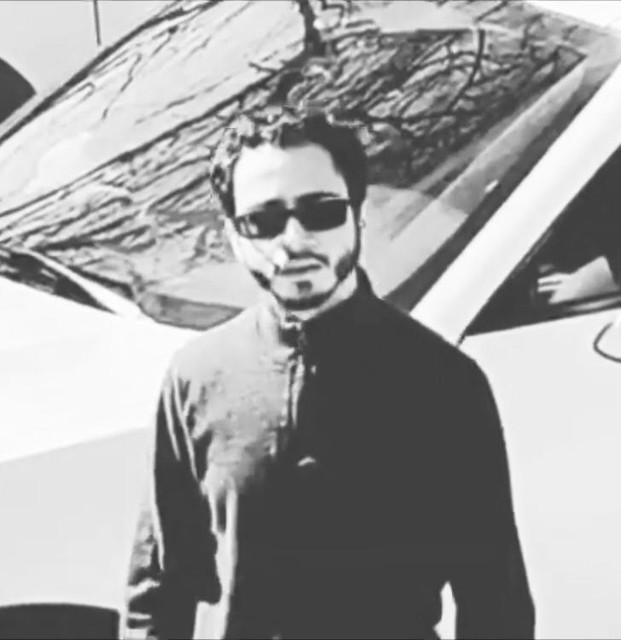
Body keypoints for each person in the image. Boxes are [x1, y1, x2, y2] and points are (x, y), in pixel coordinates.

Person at [119, 110, 535, 640]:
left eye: (321, 212)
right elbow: (159, 588)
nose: (294, 240)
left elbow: (495, 602)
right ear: (233, 236)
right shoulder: (196, 377)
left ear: (358, 217)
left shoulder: (443, 383)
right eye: (263, 221)